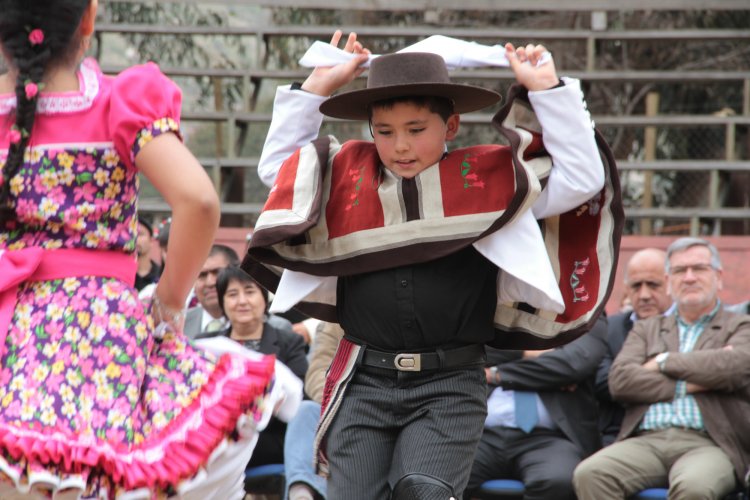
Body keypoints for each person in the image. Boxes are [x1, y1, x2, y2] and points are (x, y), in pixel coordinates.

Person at [244, 31, 620, 499]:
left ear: (452, 125)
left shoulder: (489, 184)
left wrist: (547, 90)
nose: (400, 145)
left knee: (423, 491)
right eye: (384, 131)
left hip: (450, 386)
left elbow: (583, 179)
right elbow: (281, 173)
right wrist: (317, 88)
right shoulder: (346, 182)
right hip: (364, 381)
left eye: (416, 129)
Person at [0, 1, 279, 497]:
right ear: (88, 19)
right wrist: (170, 300)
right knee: (82, 475)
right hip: (94, 326)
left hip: (9, 324)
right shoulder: (115, 101)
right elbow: (196, 199)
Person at [574, 237, 750, 500]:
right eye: (680, 270)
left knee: (694, 487)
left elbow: (735, 368)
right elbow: (621, 381)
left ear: (719, 276)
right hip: (646, 439)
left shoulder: (740, 326)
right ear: (669, 282)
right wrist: (697, 379)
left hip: (710, 442)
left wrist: (662, 361)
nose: (689, 277)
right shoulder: (648, 328)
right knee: (590, 473)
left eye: (699, 268)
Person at [464, 316, 607, 500]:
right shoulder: (492, 301)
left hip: (549, 439)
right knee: (437, 473)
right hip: (480, 434)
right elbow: (468, 352)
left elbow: (573, 363)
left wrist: (496, 374)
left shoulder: (584, 308)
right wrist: (526, 353)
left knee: (558, 480)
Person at [202, 266, 308, 468]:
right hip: (215, 438)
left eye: (249, 292)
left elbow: (299, 396)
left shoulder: (288, 342)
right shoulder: (208, 345)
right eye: (232, 294)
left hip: (268, 438)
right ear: (223, 302)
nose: (242, 301)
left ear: (264, 297)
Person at [596, 248, 671, 445]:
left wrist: (629, 378)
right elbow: (604, 383)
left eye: (653, 285)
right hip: (619, 434)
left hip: (681, 430)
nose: (644, 294)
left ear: (670, 284)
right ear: (626, 289)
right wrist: (677, 378)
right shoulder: (608, 328)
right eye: (636, 286)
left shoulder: (690, 324)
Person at [284, 321, 344, 500]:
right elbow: (317, 372)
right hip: (340, 405)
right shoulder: (334, 324)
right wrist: (340, 404)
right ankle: (302, 491)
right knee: (305, 410)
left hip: (400, 406)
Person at [183, 244, 241, 337]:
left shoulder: (266, 328)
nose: (210, 282)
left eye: (218, 272)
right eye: (202, 275)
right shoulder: (178, 327)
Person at [134, 218, 162, 291]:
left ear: (151, 241)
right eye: (132, 234)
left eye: (140, 234)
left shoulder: (162, 275)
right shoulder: (120, 275)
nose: (135, 238)